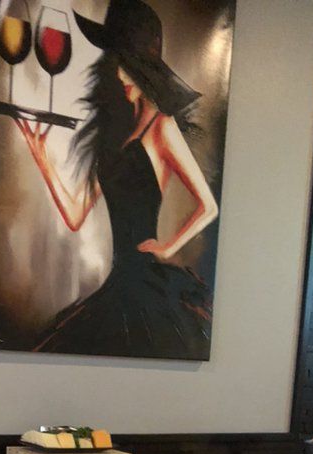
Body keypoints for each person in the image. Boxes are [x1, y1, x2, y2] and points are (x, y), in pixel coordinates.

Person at [15, 0, 219, 359]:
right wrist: (42, 159)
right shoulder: (114, 134)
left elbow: (208, 206)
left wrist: (169, 247)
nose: (120, 74)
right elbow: (75, 215)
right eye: (116, 63)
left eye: (126, 64)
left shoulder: (163, 128)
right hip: (118, 283)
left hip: (148, 285)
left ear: (145, 69)